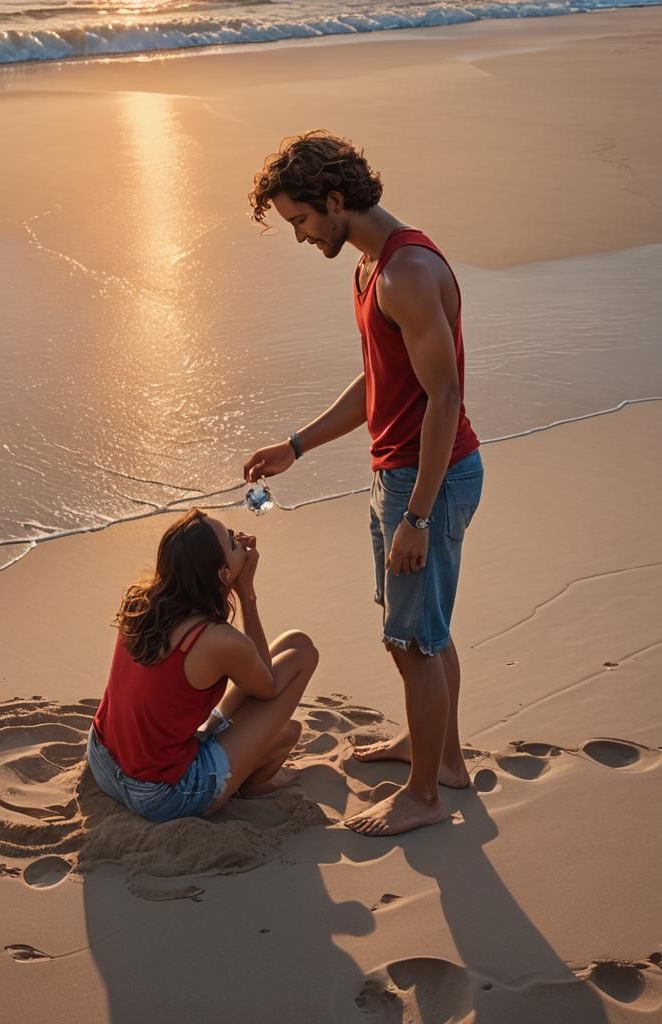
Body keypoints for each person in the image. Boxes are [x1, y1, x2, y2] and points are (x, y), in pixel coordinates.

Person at [244, 131, 484, 837]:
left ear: (334, 199)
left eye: (300, 220)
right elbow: (382, 381)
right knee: (419, 630)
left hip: (429, 480)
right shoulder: (370, 270)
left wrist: (417, 516)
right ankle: (439, 755)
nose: (300, 236)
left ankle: (425, 795)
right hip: (400, 474)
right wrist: (296, 446)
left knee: (413, 642)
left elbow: (444, 398)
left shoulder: (407, 271)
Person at [87, 508, 319, 823]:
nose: (240, 539)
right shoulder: (216, 639)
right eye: (231, 540)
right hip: (162, 795)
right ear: (223, 573)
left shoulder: (141, 602)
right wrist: (246, 592)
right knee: (302, 656)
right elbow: (266, 686)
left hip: (103, 760)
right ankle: (253, 780)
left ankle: (227, 742)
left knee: (294, 643)